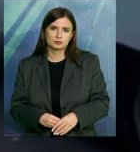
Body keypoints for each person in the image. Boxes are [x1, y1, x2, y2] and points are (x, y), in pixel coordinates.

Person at [9, 7, 110, 136]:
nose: (59, 35)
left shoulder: (90, 62)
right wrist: (39, 117)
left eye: (65, 30)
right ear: (44, 31)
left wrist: (76, 116)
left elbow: (102, 103)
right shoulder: (26, 66)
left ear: (72, 35)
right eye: (53, 28)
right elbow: (16, 107)